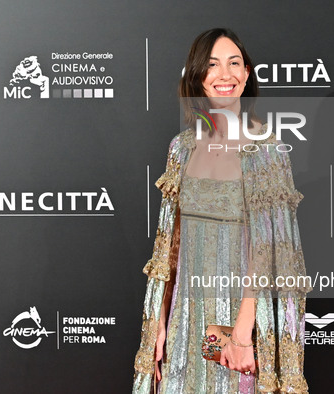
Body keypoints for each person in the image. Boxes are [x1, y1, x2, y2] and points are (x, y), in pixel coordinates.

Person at [133, 28, 311, 394]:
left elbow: (271, 254)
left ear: (247, 74)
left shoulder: (267, 152)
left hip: (237, 322)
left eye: (234, 64)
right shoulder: (181, 148)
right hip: (184, 319)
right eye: (212, 65)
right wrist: (160, 322)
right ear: (198, 76)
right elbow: (169, 245)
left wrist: (243, 335)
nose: (224, 75)